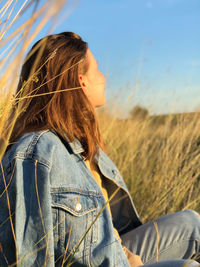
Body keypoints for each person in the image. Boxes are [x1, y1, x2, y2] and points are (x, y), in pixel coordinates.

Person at [0, 32, 200, 267]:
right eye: (97, 69)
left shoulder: (80, 144)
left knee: (193, 223)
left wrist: (130, 258)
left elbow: (102, 233)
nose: (104, 77)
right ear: (81, 79)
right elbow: (28, 255)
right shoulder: (36, 154)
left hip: (116, 256)